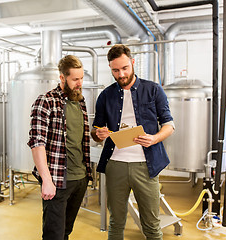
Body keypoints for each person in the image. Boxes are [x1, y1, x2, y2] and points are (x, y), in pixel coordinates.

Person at [91, 44, 175, 240]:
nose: (121, 74)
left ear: (133, 63)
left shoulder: (153, 90)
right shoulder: (105, 95)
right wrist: (98, 133)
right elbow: (95, 131)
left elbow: (169, 125)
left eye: (125, 68)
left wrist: (154, 138)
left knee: (152, 225)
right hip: (115, 165)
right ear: (110, 68)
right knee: (116, 222)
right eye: (115, 70)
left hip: (146, 166)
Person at [27, 55, 92, 240]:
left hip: (80, 178)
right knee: (53, 235)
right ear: (62, 78)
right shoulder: (46, 102)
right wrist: (47, 180)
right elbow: (37, 142)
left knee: (65, 231)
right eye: (75, 79)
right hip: (57, 180)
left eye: (81, 78)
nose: (79, 83)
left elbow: (79, 138)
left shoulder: (80, 102)